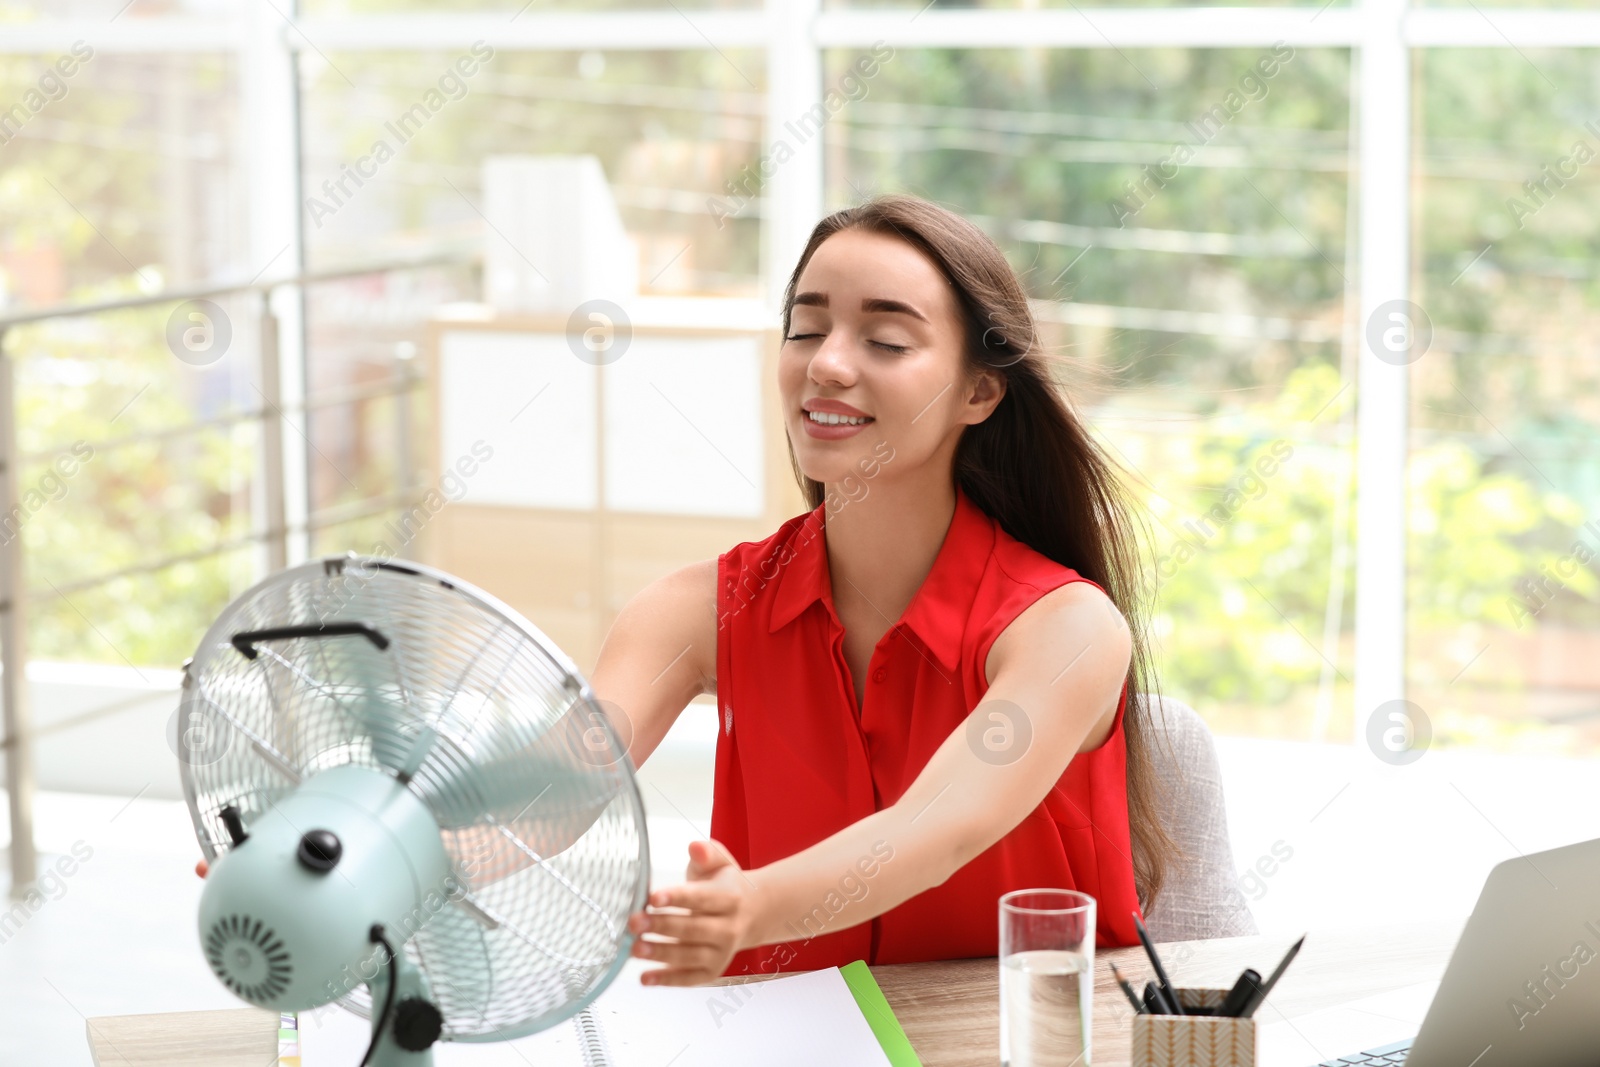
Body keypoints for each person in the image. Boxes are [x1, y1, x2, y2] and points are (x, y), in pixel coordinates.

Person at [593, 193, 1174, 986]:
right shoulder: (694, 611)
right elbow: (561, 782)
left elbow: (938, 827)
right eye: (805, 327)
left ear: (980, 392)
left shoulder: (1068, 629)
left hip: (1012, 1045)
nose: (827, 363)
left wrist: (751, 908)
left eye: (887, 339)